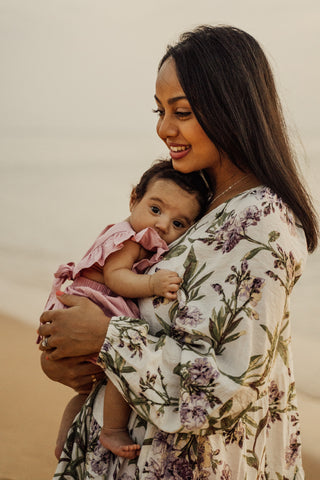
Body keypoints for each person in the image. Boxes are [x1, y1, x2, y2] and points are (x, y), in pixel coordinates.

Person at [38, 25, 319, 479]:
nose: (163, 128)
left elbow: (225, 390)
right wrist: (65, 356)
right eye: (160, 110)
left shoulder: (262, 224)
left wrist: (106, 338)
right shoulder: (199, 201)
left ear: (231, 108)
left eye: (181, 111)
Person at [39, 159, 212, 460]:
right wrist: (153, 285)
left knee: (85, 393)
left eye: (178, 224)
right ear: (134, 199)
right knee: (123, 370)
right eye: (156, 210)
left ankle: (64, 442)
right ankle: (112, 430)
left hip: (82, 308)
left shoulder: (134, 231)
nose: (162, 225)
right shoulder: (131, 239)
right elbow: (115, 276)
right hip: (96, 306)